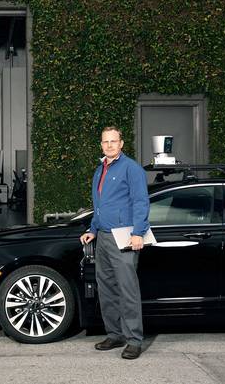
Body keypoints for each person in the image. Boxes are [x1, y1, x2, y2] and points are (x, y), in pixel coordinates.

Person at [80, 126, 149, 360]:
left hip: (125, 236)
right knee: (107, 288)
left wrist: (139, 232)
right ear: (101, 144)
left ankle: (134, 340)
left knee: (127, 289)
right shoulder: (100, 169)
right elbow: (99, 205)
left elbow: (140, 201)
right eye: (105, 141)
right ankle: (115, 334)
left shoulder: (132, 168)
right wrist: (92, 229)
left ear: (121, 143)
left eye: (113, 141)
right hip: (104, 238)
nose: (109, 145)